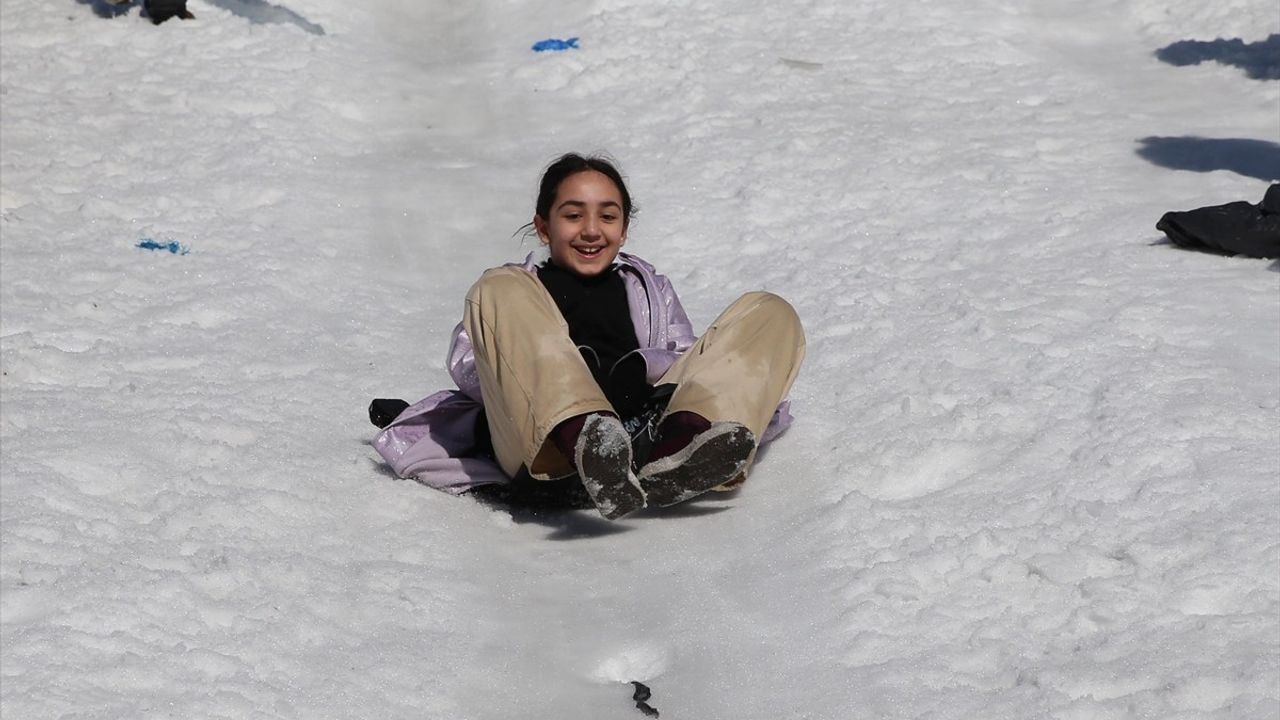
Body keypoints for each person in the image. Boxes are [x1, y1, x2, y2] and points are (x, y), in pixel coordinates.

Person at [371, 153, 806, 519]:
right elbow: (475, 369)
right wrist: (576, 375)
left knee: (770, 311)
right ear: (544, 228)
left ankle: (675, 454)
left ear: (624, 228)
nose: (591, 230)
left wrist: (642, 369)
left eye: (607, 216)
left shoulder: (648, 286)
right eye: (573, 215)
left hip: (642, 432)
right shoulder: (515, 290)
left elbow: (688, 360)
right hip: (542, 449)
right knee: (494, 284)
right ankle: (586, 440)